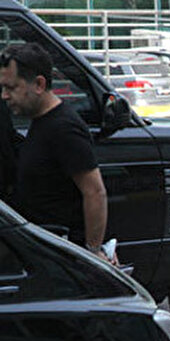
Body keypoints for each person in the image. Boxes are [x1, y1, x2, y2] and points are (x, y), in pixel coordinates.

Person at [0, 43, 114, 262]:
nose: (4, 95)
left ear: (39, 84)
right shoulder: (41, 122)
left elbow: (95, 192)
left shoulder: (64, 128)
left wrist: (92, 253)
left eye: (11, 88)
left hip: (64, 256)